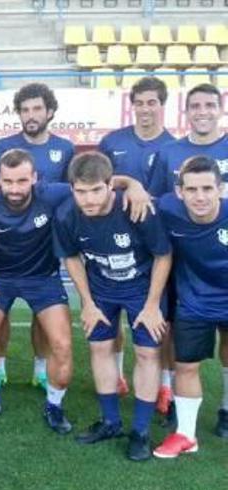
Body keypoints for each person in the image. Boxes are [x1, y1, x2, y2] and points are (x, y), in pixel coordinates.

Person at [0, 148, 151, 434]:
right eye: (8, 181)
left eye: (22, 181)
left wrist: (134, 186)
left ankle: (54, 405)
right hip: (1, 278)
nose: (15, 189)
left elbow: (99, 180)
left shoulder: (53, 194)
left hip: (44, 278)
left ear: (35, 179)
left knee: (63, 345)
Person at [54, 151, 171, 461]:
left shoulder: (136, 207)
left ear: (110, 186)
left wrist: (152, 305)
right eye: (81, 191)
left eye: (96, 190)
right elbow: (71, 258)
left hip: (142, 288)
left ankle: (141, 431)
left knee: (147, 352)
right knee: (99, 348)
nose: (89, 199)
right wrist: (88, 304)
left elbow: (163, 255)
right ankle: (110, 422)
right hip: (102, 289)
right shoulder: (67, 215)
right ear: (72, 189)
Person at [0, 83, 76, 390]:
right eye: (25, 109)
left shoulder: (64, 148)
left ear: (49, 111)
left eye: (37, 108)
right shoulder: (4, 145)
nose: (31, 115)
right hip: (8, 246)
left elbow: (73, 195)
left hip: (46, 246)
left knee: (43, 313)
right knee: (0, 311)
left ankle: (41, 368)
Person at [98, 76, 176, 403]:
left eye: (152, 102)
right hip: (112, 243)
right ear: (132, 105)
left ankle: (166, 386)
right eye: (140, 102)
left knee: (162, 318)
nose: (145, 109)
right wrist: (129, 182)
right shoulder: (112, 141)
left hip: (157, 246)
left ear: (162, 105)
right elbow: (96, 180)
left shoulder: (174, 148)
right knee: (110, 317)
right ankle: (115, 376)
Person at [153, 156, 228, 458]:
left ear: (220, 189)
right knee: (185, 365)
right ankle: (186, 435)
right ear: (179, 191)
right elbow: (122, 190)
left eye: (207, 188)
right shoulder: (168, 209)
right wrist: (130, 185)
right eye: (192, 189)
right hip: (194, 299)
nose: (200, 197)